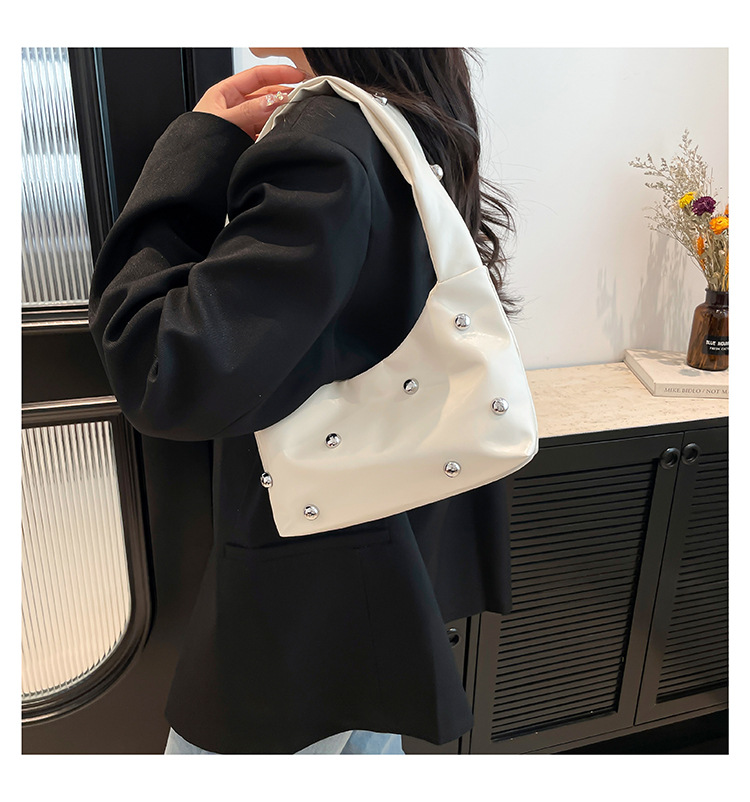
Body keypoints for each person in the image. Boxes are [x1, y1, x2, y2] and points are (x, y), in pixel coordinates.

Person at [87, 48, 517, 755]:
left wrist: (195, 147)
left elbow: (162, 369)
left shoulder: (324, 139)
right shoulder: (409, 118)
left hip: (306, 576)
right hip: (383, 537)